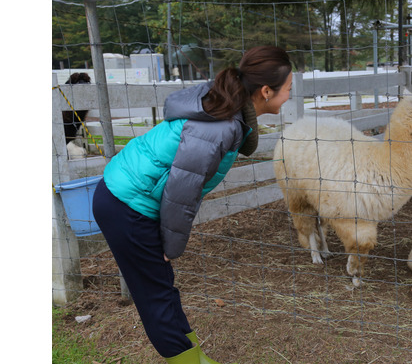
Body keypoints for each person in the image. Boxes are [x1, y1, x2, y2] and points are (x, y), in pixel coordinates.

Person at [92, 46, 292, 364]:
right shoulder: (221, 128)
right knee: (155, 297)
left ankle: (195, 357)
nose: (289, 96)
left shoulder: (228, 114)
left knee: (163, 288)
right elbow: (182, 191)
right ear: (266, 92)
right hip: (126, 204)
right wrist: (170, 245)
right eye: (288, 89)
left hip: (129, 195)